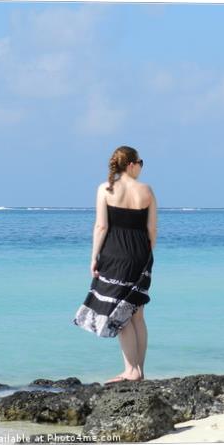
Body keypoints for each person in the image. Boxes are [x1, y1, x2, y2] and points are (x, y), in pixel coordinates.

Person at [72, 145, 157, 383]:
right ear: (131, 164)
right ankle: (139, 371)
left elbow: (101, 226)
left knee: (121, 313)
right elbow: (152, 230)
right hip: (141, 255)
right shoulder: (147, 190)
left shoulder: (105, 189)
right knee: (137, 314)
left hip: (115, 254)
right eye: (141, 162)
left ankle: (131, 371)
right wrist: (146, 256)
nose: (141, 167)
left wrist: (94, 256)